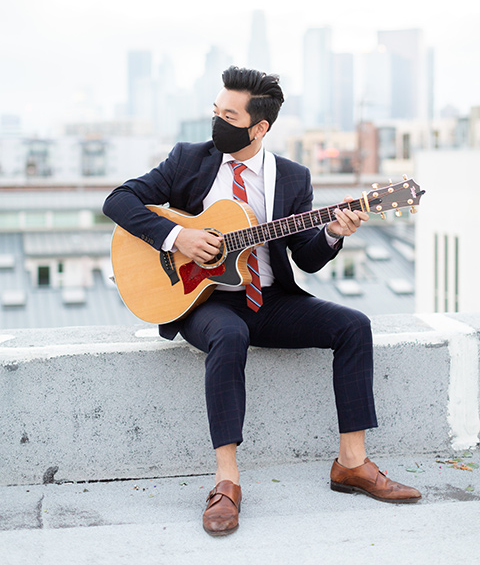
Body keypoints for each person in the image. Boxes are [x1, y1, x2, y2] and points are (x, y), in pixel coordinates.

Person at [103, 66, 421, 536]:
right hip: (200, 301)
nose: (216, 122)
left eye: (228, 115)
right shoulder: (189, 159)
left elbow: (307, 260)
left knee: (354, 325)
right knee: (230, 335)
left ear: (259, 127)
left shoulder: (292, 178)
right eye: (215, 111)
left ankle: (351, 463)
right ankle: (226, 482)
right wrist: (178, 237)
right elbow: (119, 201)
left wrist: (333, 232)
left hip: (267, 300)